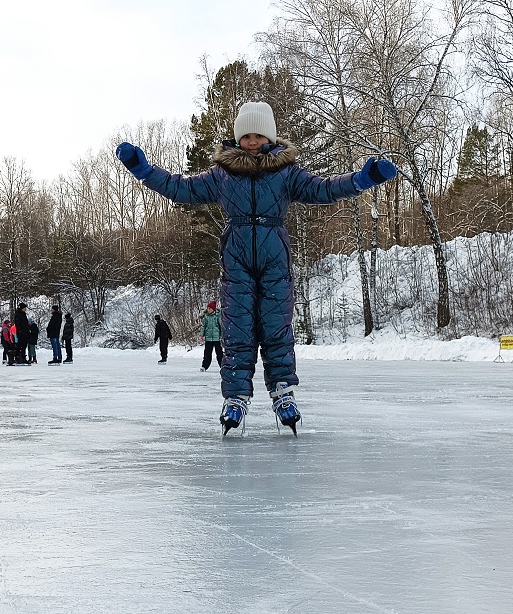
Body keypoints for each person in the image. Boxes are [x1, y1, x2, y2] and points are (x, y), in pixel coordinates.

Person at [116, 101, 398, 434]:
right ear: (238, 138)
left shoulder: (286, 173)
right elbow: (182, 188)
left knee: (277, 328)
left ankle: (282, 392)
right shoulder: (222, 175)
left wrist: (362, 179)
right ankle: (235, 397)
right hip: (236, 260)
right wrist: (144, 171)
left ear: (270, 137)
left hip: (274, 259)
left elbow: (323, 189)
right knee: (237, 330)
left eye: (259, 135)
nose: (252, 141)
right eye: (246, 135)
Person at [200, 301, 223, 372]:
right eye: (208, 308)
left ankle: (222, 366)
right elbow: (203, 326)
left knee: (219, 353)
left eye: (210, 308)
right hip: (208, 338)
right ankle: (204, 366)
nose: (208, 310)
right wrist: (202, 335)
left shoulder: (217, 316)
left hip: (217, 338)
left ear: (213, 309)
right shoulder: (206, 316)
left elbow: (221, 325)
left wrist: (222, 335)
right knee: (207, 353)